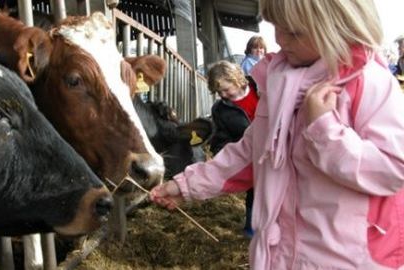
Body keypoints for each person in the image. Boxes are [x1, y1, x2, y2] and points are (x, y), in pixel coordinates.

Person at [150, 0, 404, 269]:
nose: (280, 38)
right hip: (279, 254)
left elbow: (393, 168)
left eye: (294, 32)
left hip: (349, 259)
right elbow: (251, 153)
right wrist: (186, 185)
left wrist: (324, 131)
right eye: (276, 27)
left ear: (337, 28)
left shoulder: (369, 83)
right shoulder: (280, 85)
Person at [207, 60, 258, 238]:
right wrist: (225, 155)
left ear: (237, 79)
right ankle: (252, 228)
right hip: (250, 156)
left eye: (226, 89)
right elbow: (220, 137)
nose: (223, 94)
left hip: (277, 147)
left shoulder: (261, 89)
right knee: (256, 189)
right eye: (218, 92)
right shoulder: (220, 110)